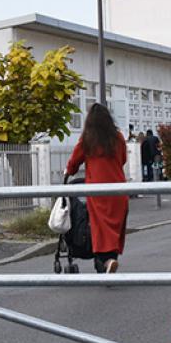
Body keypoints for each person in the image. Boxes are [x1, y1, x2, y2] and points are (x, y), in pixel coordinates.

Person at [65, 103, 128, 273]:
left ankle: (106, 261)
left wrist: (69, 171)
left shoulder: (87, 139)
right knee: (115, 228)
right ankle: (111, 258)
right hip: (118, 189)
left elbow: (74, 162)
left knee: (100, 227)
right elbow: (123, 160)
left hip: (97, 190)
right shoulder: (118, 137)